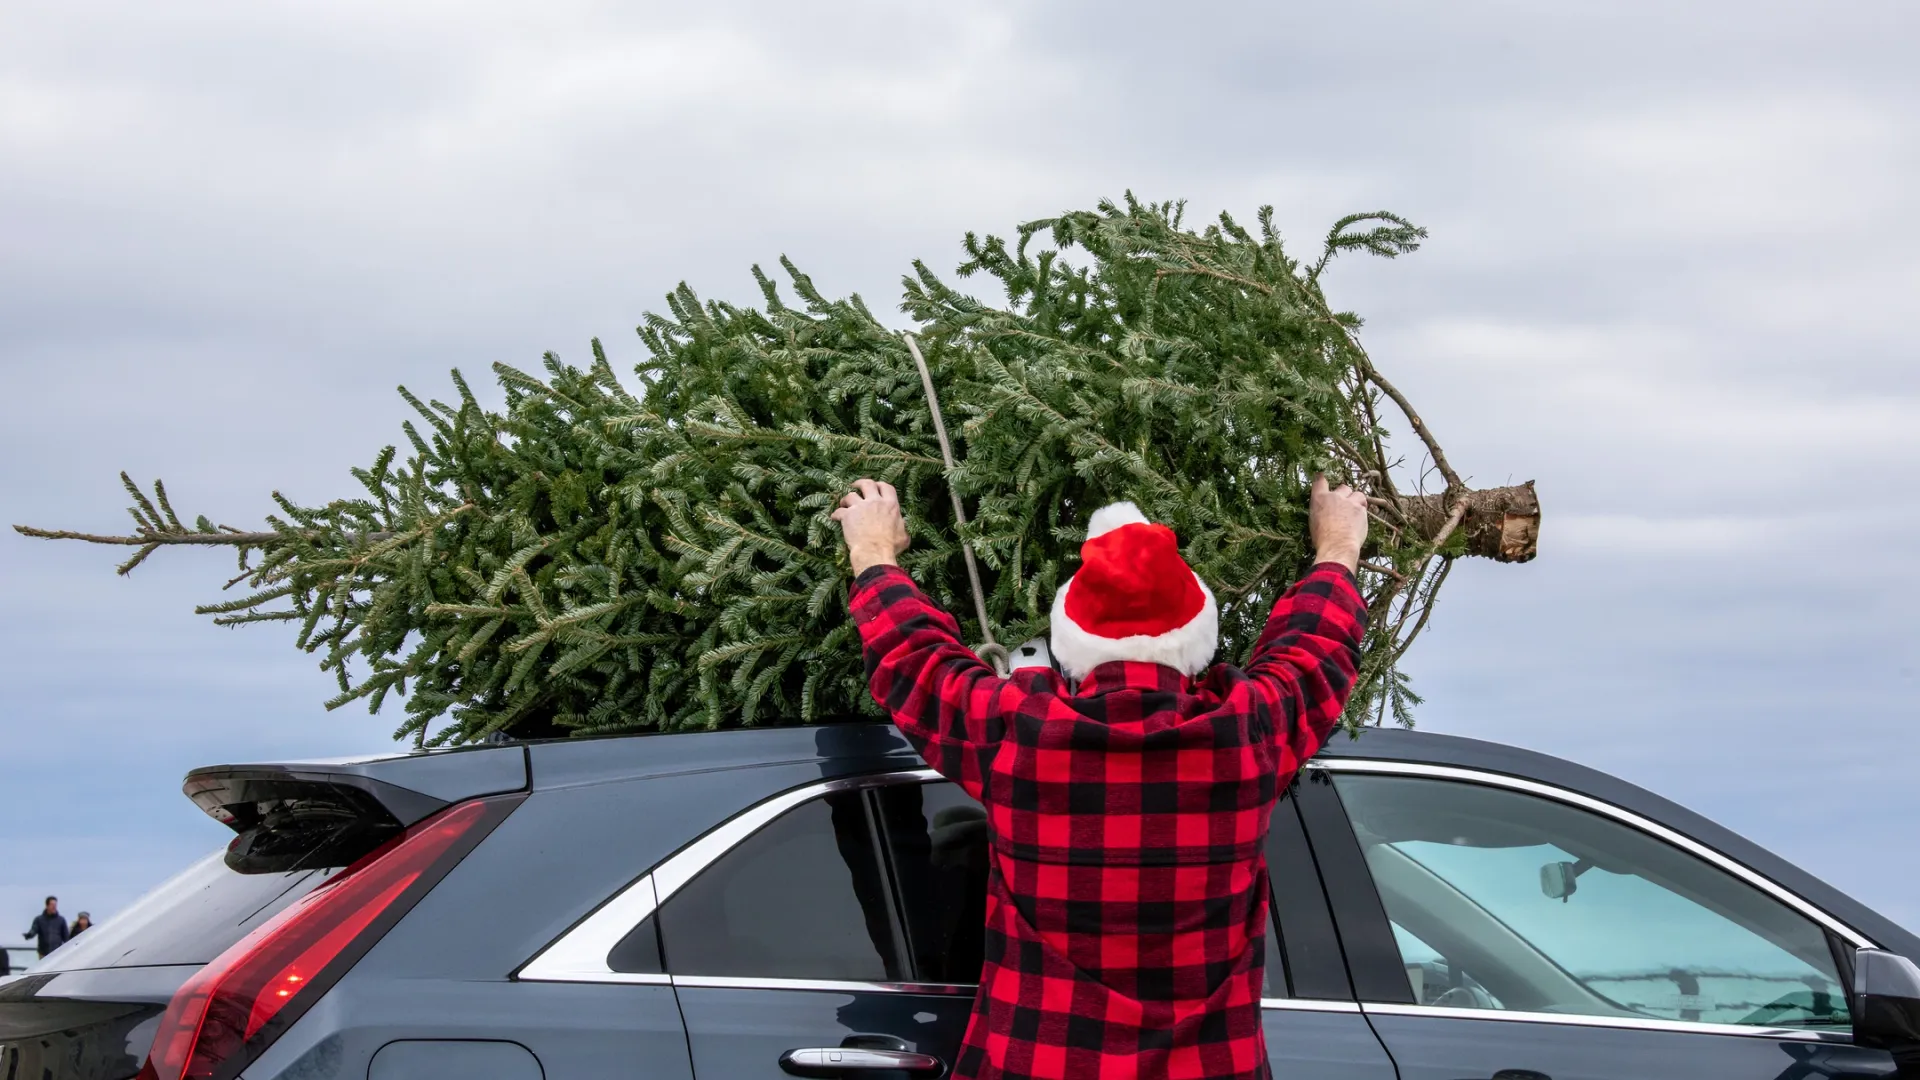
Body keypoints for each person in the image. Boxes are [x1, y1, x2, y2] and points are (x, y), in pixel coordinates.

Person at [833, 476, 1369, 1080]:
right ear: (1197, 643)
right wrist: (1339, 544)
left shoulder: (1021, 734)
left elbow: (916, 658)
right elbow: (1315, 648)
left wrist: (873, 553)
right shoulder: (1247, 735)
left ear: (1071, 645)